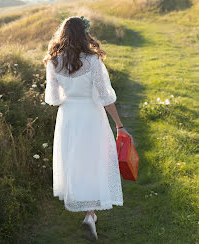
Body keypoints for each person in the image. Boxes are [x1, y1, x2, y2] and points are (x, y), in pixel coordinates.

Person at [43, 16, 134, 241]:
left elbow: (53, 99)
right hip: (92, 115)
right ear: (84, 35)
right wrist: (119, 125)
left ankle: (88, 213)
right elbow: (104, 97)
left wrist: (70, 94)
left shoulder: (53, 62)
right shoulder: (93, 61)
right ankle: (90, 214)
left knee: (75, 161)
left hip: (69, 117)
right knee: (95, 160)